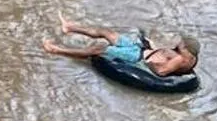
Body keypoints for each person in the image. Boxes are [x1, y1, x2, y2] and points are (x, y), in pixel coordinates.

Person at [41, 16, 198, 78]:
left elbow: (161, 71)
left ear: (186, 51)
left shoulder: (180, 59)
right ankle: (69, 27)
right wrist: (151, 47)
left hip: (138, 58)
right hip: (141, 50)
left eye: (182, 45)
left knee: (100, 49)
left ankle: (57, 50)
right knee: (107, 32)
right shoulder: (187, 55)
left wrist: (149, 61)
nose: (179, 44)